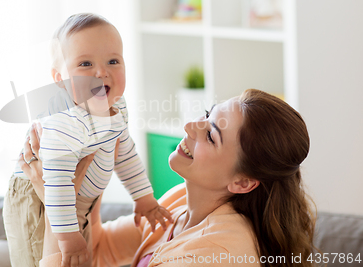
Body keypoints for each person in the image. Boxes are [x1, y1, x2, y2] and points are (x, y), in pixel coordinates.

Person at [20, 89, 317, 267]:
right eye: (206, 114)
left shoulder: (216, 253)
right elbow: (97, 251)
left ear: (242, 182)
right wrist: (92, 167)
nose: (190, 126)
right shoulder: (179, 203)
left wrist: (54, 205)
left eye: (211, 135)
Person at [3, 13, 171, 267]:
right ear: (59, 79)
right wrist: (69, 238)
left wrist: (144, 199)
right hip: (38, 198)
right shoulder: (65, 121)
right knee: (41, 259)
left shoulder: (118, 106)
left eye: (113, 61)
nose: (101, 72)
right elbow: (56, 186)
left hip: (77, 201)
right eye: (85, 65)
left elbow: (124, 153)